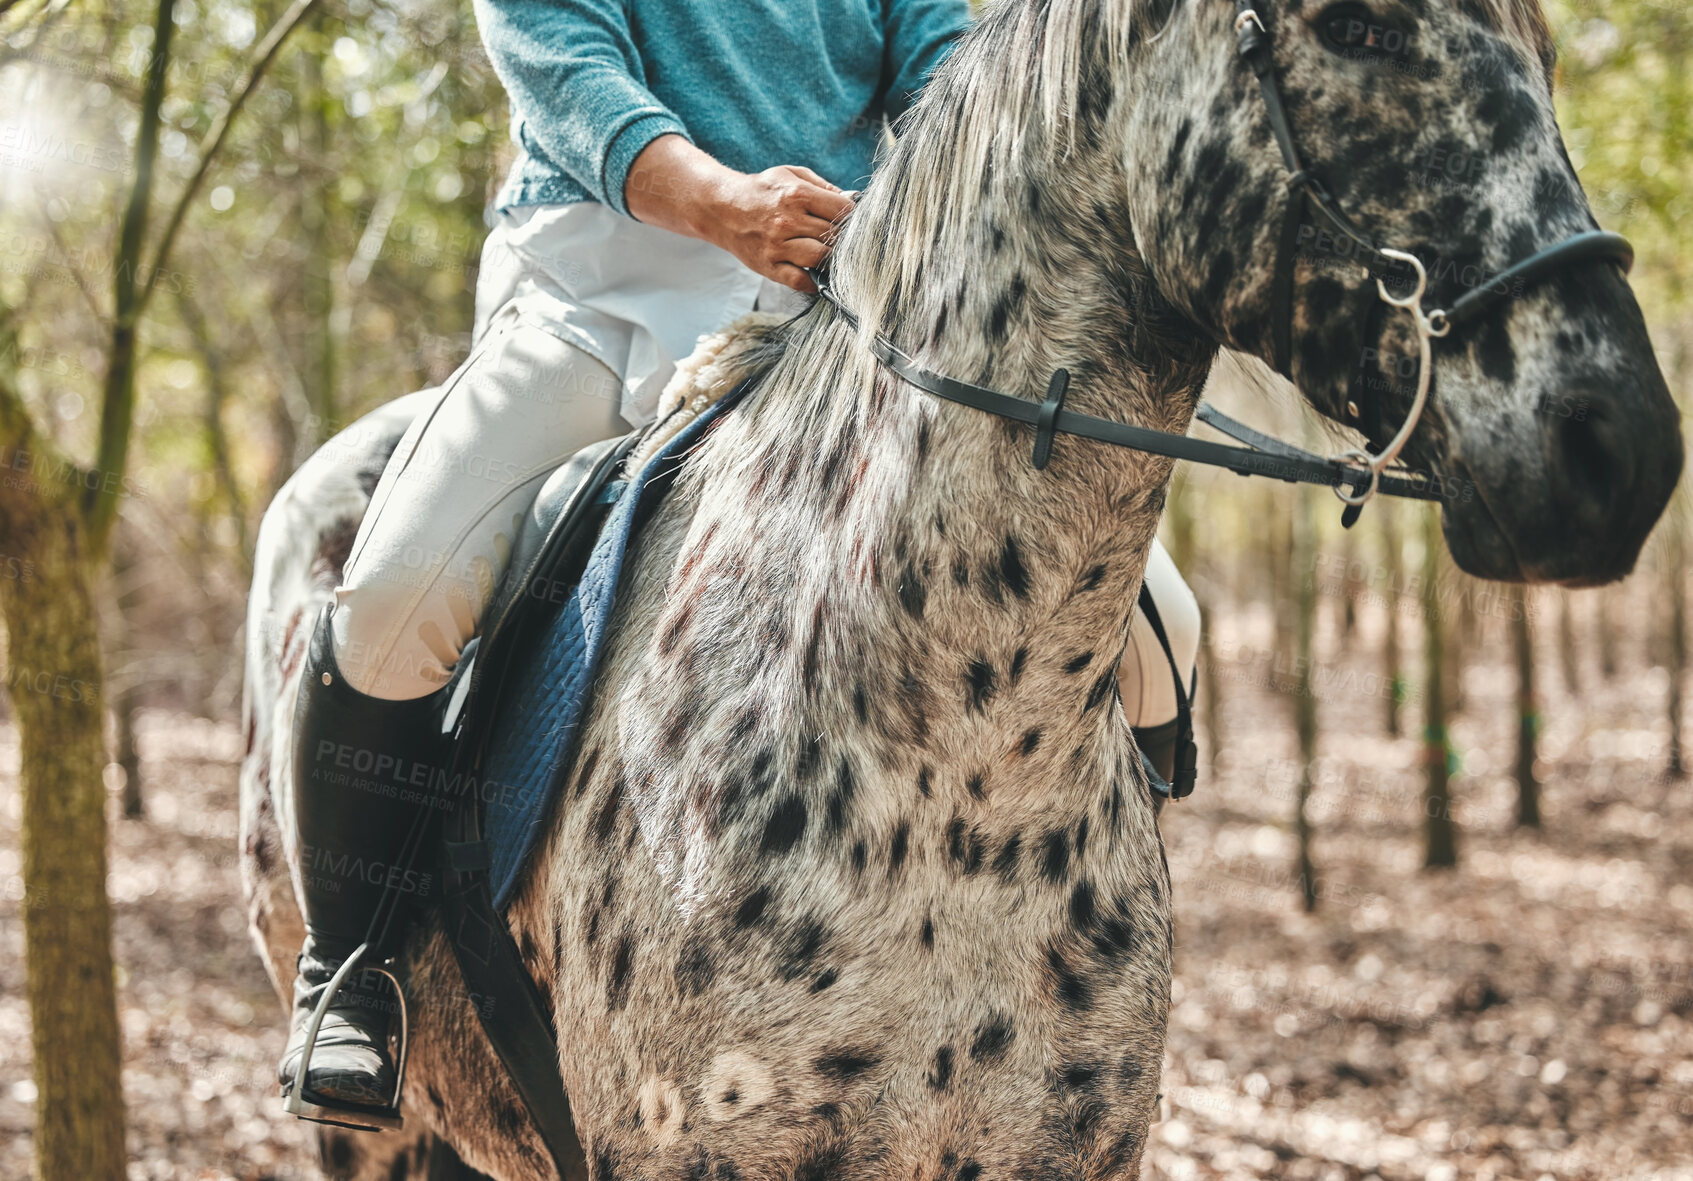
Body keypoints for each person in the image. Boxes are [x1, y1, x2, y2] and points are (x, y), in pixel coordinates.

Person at [276, 0, 1199, 1125]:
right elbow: (563, 70)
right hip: (598, 298)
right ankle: (353, 964)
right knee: (390, 600)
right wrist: (723, 203)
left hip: (844, 310)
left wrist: (942, 209)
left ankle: (1081, 957)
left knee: (1166, 630)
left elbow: (947, 65)